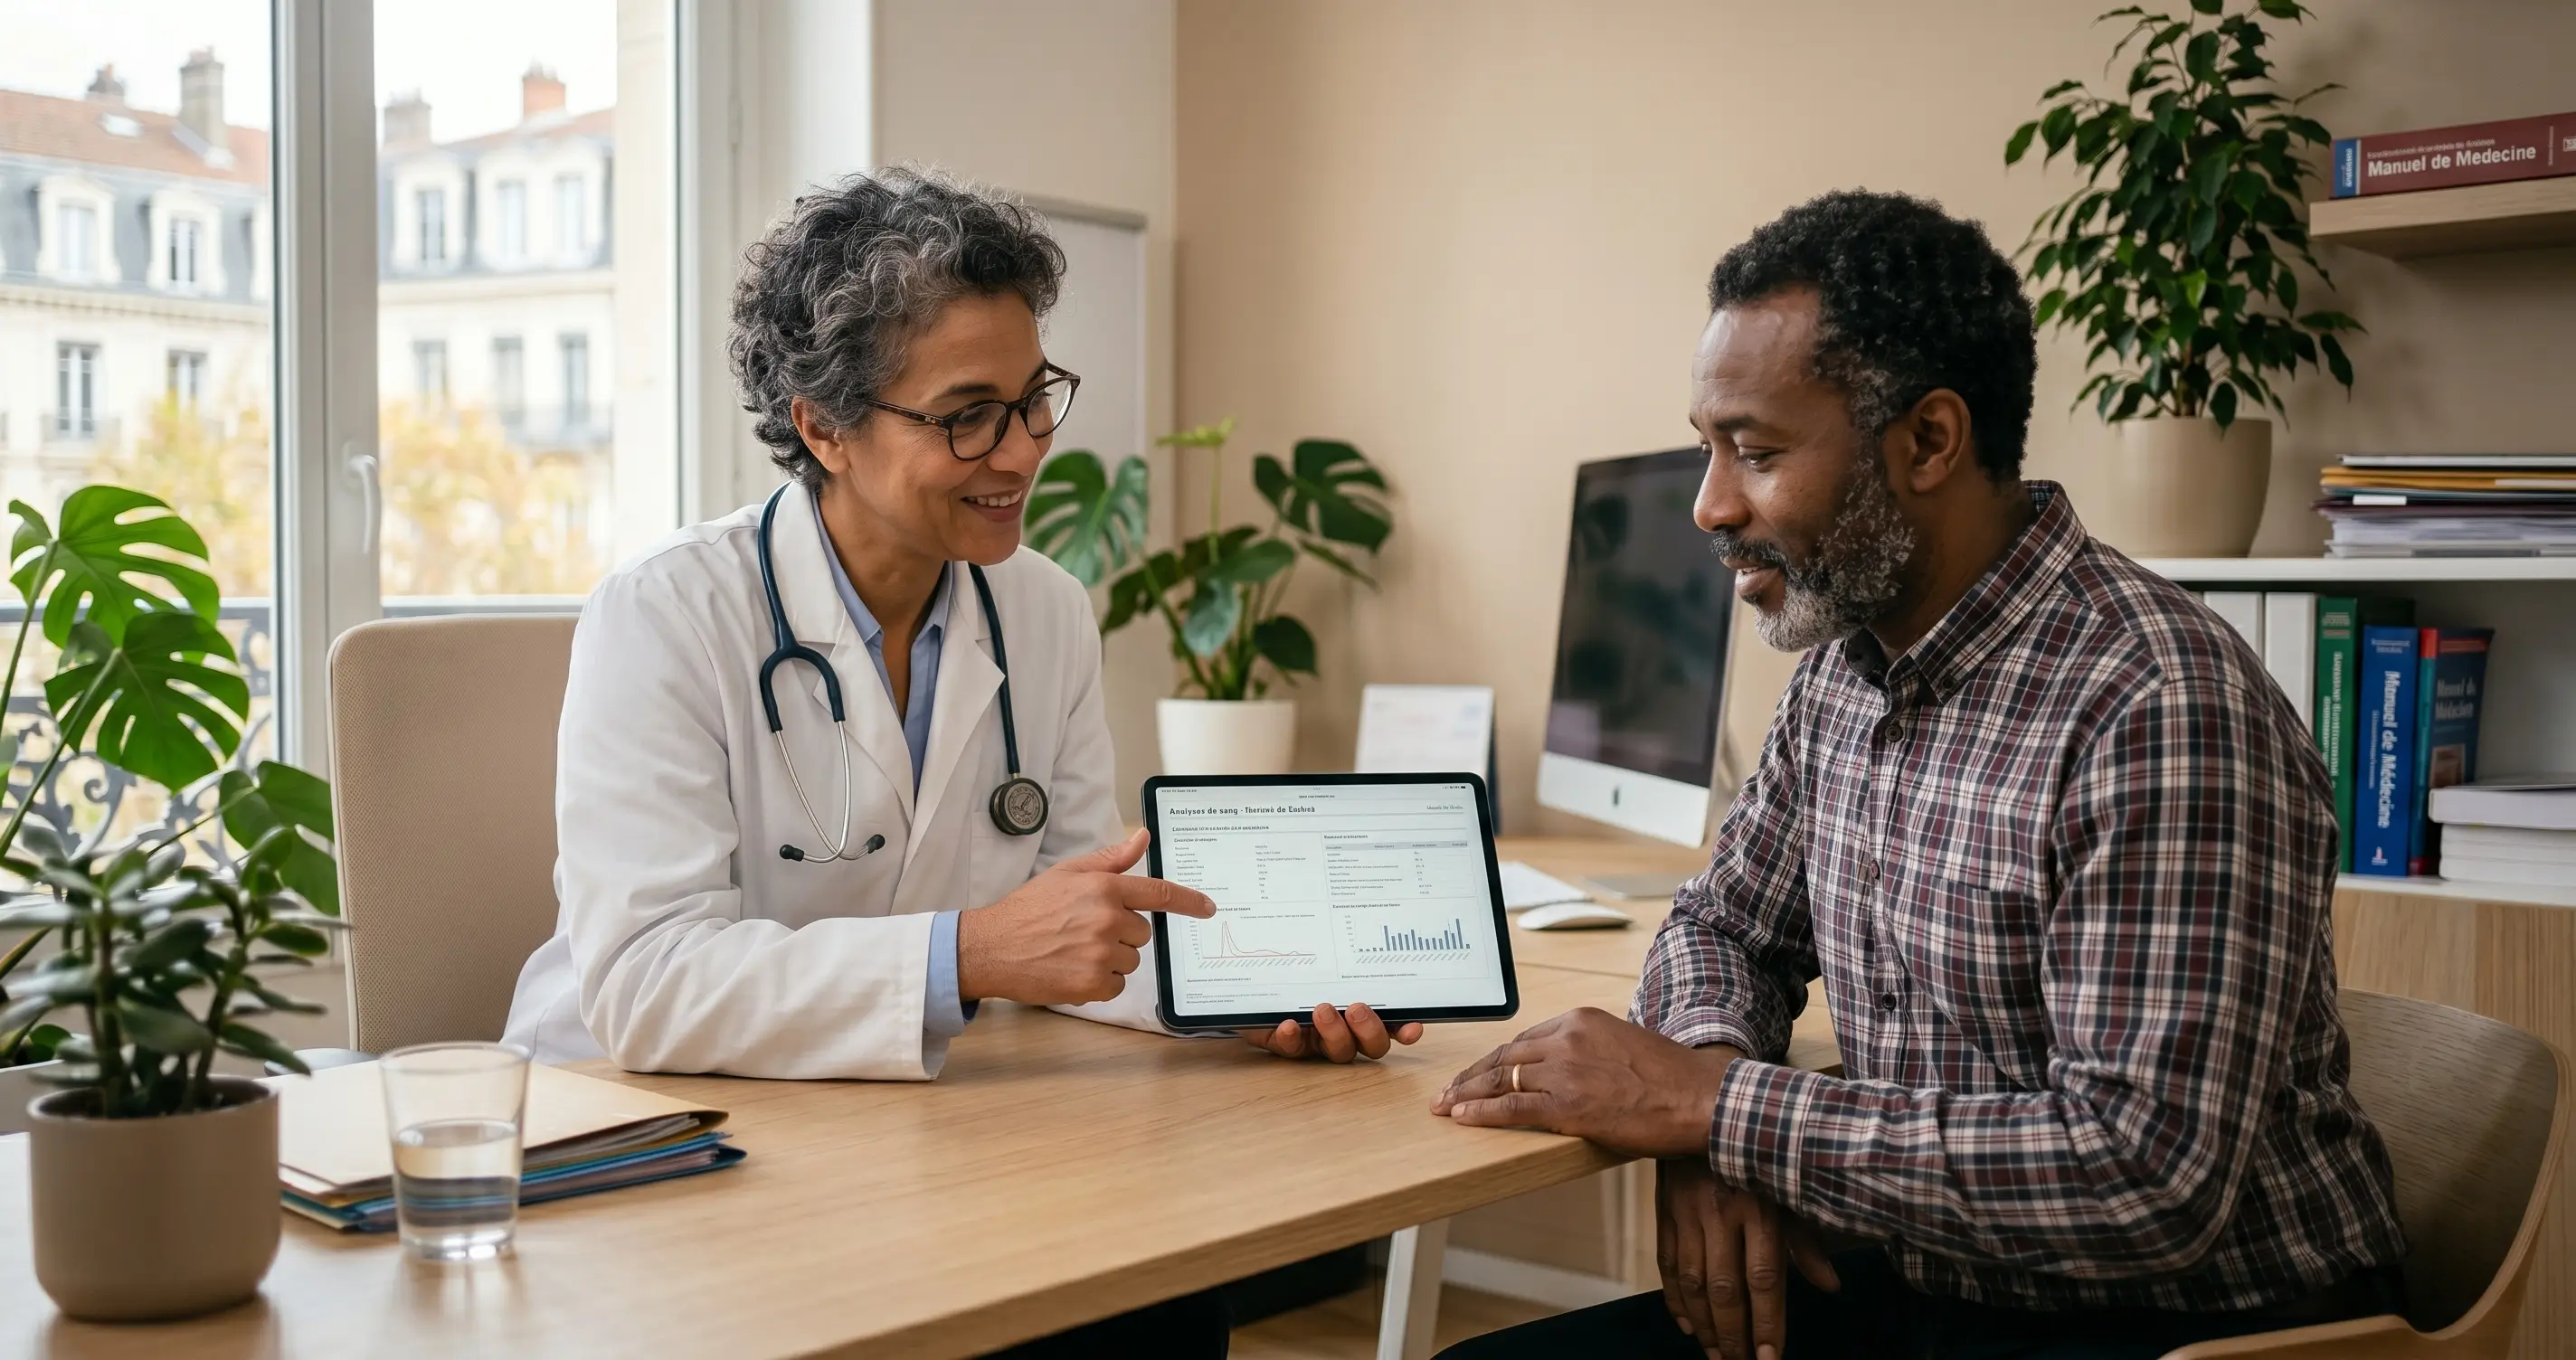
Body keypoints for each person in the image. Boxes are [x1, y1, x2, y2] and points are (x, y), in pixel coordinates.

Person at [1428, 191, 2408, 1360]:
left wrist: (1711, 1108)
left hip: (2184, 1325)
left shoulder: (2158, 709)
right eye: (1707, 447)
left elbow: (2144, 1181)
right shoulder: (1845, 673)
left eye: (1756, 450)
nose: (1710, 506)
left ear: (1930, 442)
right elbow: (1722, 927)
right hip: (1935, 1282)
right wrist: (1709, 1110)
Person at [500, 169, 1414, 1356]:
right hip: (667, 1142)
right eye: (968, 414)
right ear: (823, 424)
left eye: (1037, 400)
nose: (1024, 450)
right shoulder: (666, 617)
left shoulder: (1043, 612)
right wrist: (970, 953)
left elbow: (1087, 919)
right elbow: (646, 982)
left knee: (1159, 1313)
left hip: (911, 1140)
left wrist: (1234, 999)